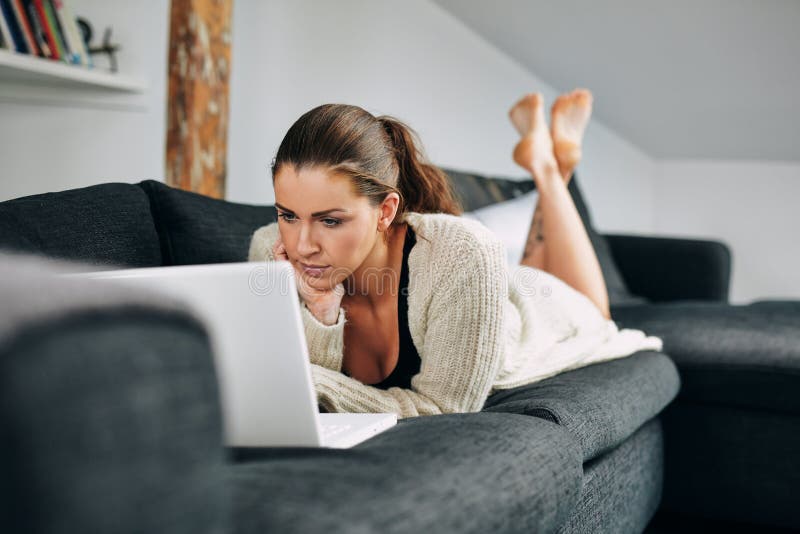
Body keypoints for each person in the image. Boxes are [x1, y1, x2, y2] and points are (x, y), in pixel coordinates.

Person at [248, 90, 662, 418]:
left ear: (386, 211)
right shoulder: (273, 253)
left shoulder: (463, 252)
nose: (302, 245)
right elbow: (308, 406)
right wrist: (320, 310)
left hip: (531, 315)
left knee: (596, 311)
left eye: (330, 220)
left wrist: (310, 380)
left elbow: (445, 409)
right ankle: (550, 160)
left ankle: (549, 169)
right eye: (288, 214)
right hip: (481, 288)